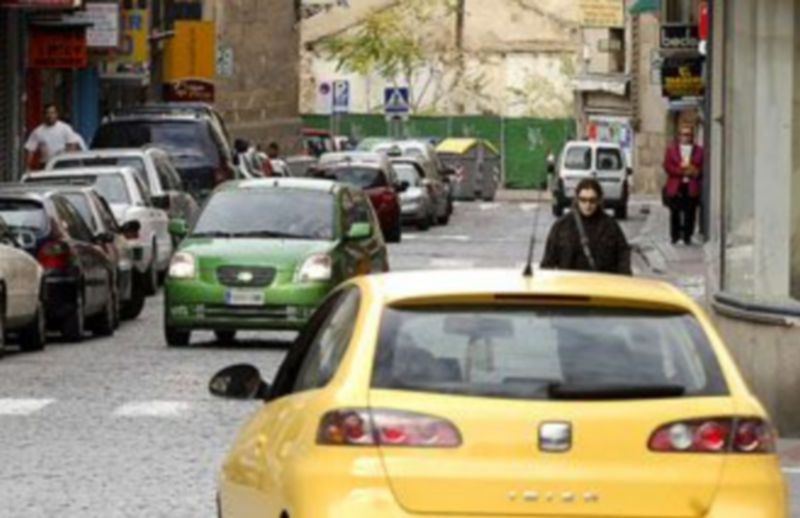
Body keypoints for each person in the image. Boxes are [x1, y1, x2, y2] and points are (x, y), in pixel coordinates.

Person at [541, 178, 632, 275]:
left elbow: (623, 259)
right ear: (577, 199)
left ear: (599, 200)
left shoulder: (611, 227)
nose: (587, 205)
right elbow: (548, 262)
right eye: (583, 200)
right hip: (569, 285)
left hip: (602, 286)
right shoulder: (561, 226)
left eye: (592, 200)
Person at [663, 125, 703, 245]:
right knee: (675, 211)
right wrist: (681, 171)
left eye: (688, 134)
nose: (686, 137)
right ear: (679, 136)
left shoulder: (699, 150)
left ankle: (687, 236)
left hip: (691, 185)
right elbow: (667, 166)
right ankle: (675, 236)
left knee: (690, 212)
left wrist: (695, 171)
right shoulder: (671, 150)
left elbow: (702, 167)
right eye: (683, 134)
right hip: (676, 185)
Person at [24, 104, 80, 170]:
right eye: (48, 113)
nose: (50, 116)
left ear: (56, 114)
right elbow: (30, 150)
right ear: (44, 115)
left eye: (53, 113)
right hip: (45, 164)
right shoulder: (38, 131)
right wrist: (27, 167)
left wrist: (69, 159)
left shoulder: (65, 128)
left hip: (63, 163)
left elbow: (73, 144)